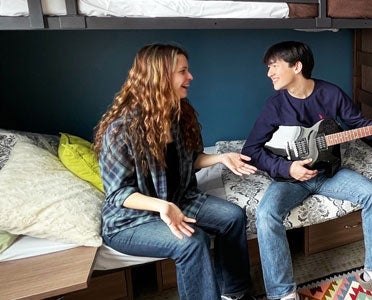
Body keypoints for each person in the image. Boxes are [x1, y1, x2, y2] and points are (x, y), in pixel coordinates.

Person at [241, 41, 372, 300]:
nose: (269, 73)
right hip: (291, 180)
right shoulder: (274, 105)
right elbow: (252, 150)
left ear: (297, 66)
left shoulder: (331, 94)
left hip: (329, 173)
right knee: (265, 213)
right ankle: (283, 294)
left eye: (274, 66)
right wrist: (287, 168)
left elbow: (359, 125)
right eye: (269, 68)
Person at [93, 43, 258, 300]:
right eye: (183, 71)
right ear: (160, 76)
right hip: (131, 220)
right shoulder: (121, 129)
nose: (190, 77)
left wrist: (221, 157)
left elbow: (189, 160)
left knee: (232, 217)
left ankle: (235, 292)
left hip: (179, 201)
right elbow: (118, 194)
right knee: (192, 242)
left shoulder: (178, 114)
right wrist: (162, 206)